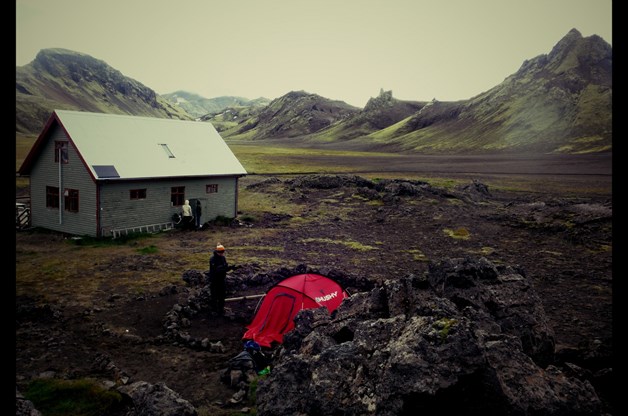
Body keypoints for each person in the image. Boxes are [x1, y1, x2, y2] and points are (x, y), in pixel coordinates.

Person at [209, 243, 236, 315]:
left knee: (222, 295)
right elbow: (217, 270)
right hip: (215, 280)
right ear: (217, 252)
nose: (222, 253)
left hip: (222, 280)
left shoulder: (223, 258)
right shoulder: (213, 259)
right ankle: (214, 310)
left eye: (223, 252)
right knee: (214, 295)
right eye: (221, 252)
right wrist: (225, 268)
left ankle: (221, 309)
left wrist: (230, 268)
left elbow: (224, 268)